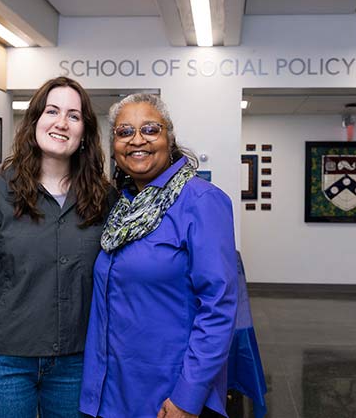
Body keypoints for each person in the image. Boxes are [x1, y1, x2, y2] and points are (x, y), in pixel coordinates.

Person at [0, 76, 114, 418]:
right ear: (33, 123)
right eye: (52, 111)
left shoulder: (105, 200)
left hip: (77, 363)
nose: (61, 122)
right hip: (3, 366)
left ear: (85, 131)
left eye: (74, 116)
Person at [79, 94, 238, 418]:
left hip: (168, 394)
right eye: (124, 132)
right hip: (113, 389)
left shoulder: (201, 201)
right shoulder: (121, 207)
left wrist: (187, 397)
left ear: (169, 138)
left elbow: (218, 307)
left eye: (150, 129)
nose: (137, 140)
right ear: (113, 147)